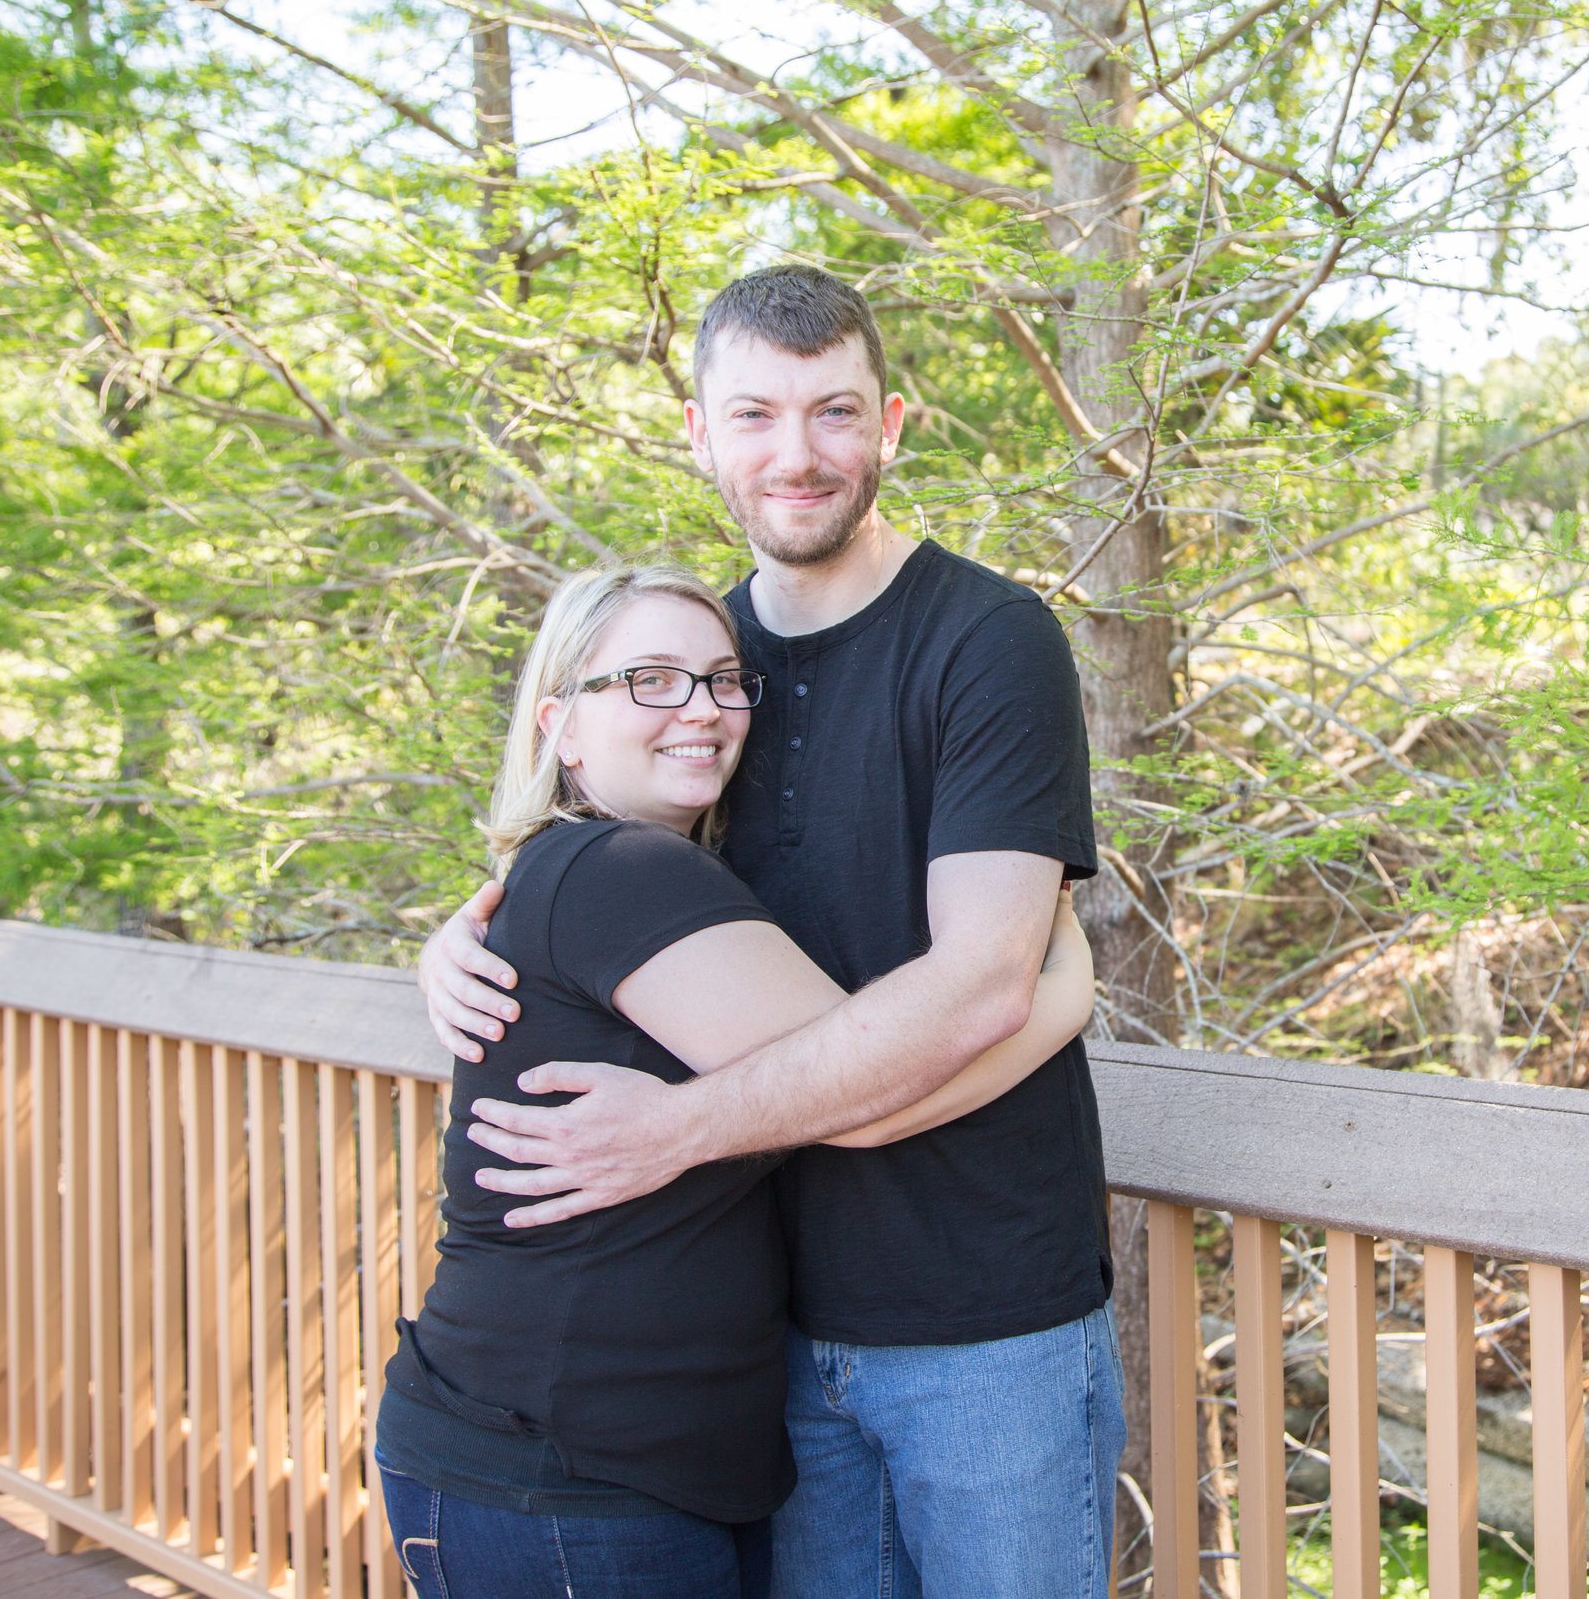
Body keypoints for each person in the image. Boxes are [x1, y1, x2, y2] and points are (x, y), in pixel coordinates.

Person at [420, 264, 1125, 1599]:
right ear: (699, 433)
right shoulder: (701, 664)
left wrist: (680, 1125)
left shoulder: (987, 640)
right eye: (754, 415)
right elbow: (595, 863)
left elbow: (978, 981)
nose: (796, 456)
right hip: (772, 1332)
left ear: (892, 425)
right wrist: (460, 930)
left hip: (985, 1322)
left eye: (833, 413)